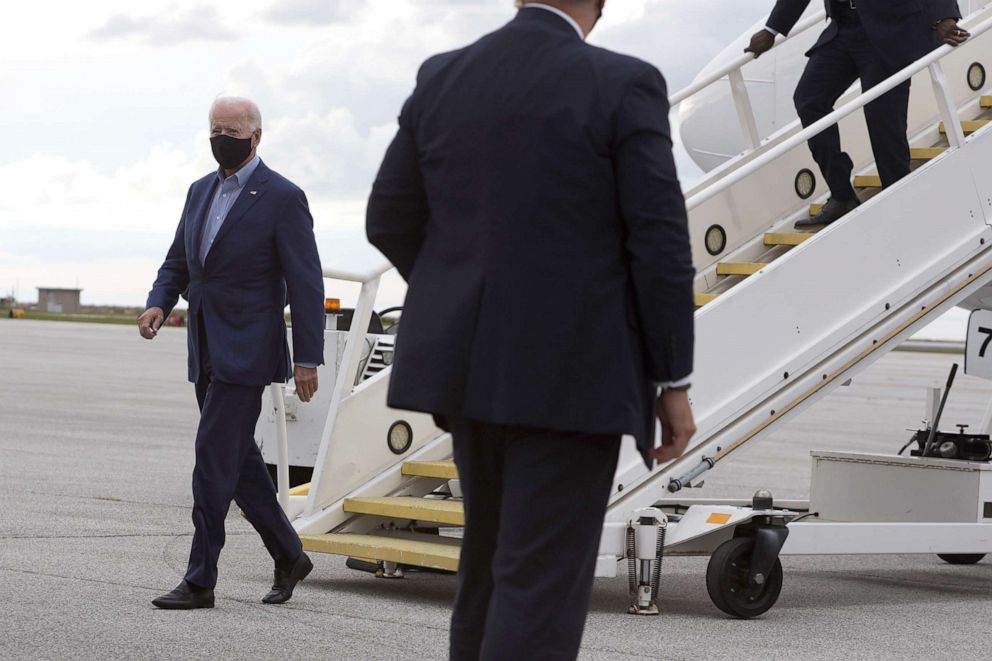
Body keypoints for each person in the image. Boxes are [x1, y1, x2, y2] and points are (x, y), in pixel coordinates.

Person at [366, 1, 696, 658]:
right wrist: (673, 378)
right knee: (540, 582)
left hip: (467, 375)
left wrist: (456, 296)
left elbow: (388, 216)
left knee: (487, 573)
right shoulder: (624, 83)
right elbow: (658, 243)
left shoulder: (444, 74)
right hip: (574, 376)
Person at [138, 96, 325, 609]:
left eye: (232, 129)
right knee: (238, 460)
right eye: (215, 128)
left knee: (212, 459)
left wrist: (308, 355)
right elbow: (178, 260)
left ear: (256, 137)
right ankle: (290, 554)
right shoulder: (200, 191)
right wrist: (159, 303)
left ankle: (200, 579)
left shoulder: (283, 197)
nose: (222, 136)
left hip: (248, 350)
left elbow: (306, 282)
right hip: (205, 347)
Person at [747, 0, 968, 229]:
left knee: (882, 116)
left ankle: (899, 196)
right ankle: (841, 195)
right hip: (843, 28)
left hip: (890, 29)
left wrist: (945, 16)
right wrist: (772, 30)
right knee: (809, 99)